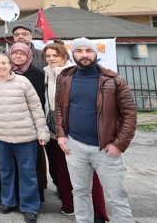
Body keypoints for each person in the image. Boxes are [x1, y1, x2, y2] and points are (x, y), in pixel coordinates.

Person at [55, 38, 137, 223]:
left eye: (88, 50)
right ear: (73, 54)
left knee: (116, 198)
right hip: (74, 146)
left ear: (95, 53)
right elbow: (59, 107)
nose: (84, 55)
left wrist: (119, 144)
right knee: (80, 192)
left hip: (106, 149)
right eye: (79, 51)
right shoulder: (65, 77)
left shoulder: (114, 79)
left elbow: (129, 114)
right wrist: (61, 134)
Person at [0, 53, 50, 223]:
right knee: (5, 170)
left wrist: (42, 132)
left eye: (4, 62)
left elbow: (36, 108)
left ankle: (30, 206)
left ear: (10, 65)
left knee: (28, 172)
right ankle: (8, 201)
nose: (1, 66)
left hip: (25, 135)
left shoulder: (23, 82)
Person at [43, 42, 110, 221]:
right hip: (55, 131)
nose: (51, 59)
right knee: (62, 170)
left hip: (75, 132)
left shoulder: (72, 74)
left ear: (65, 56)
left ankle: (98, 212)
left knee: (88, 176)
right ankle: (69, 204)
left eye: (55, 55)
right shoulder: (46, 74)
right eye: (48, 56)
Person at [9, 42, 49, 203]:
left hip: (28, 125)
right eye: (15, 53)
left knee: (31, 165)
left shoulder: (36, 74)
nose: (18, 57)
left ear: (29, 56)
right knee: (10, 164)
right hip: (8, 124)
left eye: (22, 54)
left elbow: (38, 102)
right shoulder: (5, 71)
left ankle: (34, 198)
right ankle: (14, 196)